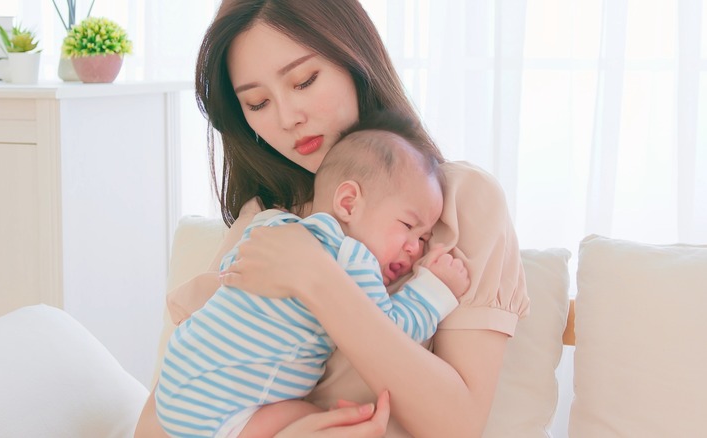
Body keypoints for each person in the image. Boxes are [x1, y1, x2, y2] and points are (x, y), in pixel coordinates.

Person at [136, 1, 529, 436]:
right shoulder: (264, 222)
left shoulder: (461, 201)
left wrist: (315, 277)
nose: (288, 118)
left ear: (353, 57)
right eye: (258, 102)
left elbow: (458, 427)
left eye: (304, 81)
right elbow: (158, 420)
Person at [155, 114, 471, 438]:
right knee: (320, 418)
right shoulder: (352, 257)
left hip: (176, 387)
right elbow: (393, 330)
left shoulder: (270, 223)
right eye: (408, 226)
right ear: (348, 203)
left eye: (423, 239)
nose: (415, 250)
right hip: (224, 414)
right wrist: (435, 289)